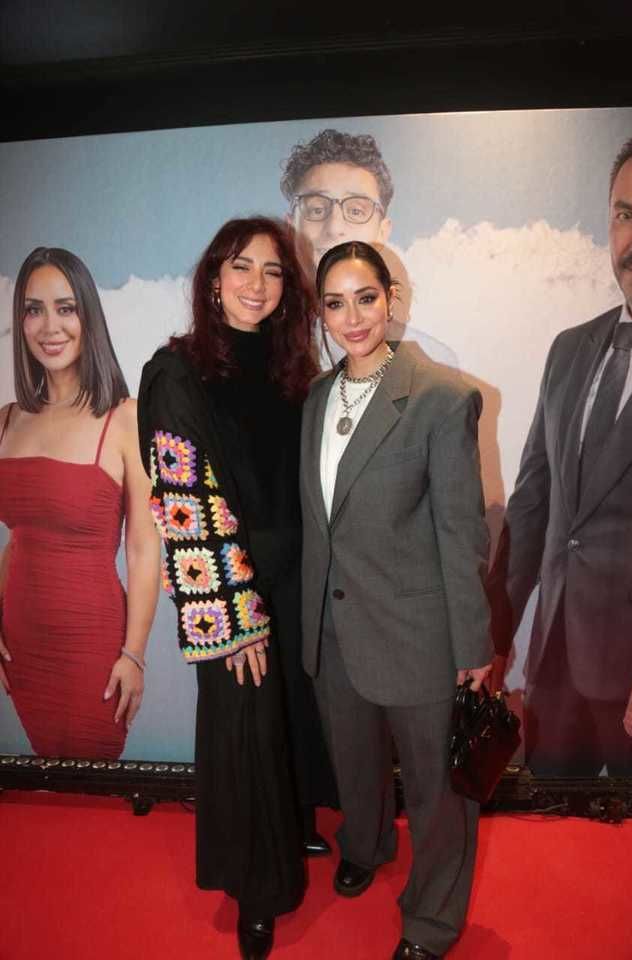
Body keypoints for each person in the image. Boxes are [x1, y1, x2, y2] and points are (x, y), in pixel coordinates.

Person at [137, 216, 336, 960]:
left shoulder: (293, 371)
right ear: (213, 279)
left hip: (298, 574)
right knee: (246, 730)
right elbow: (183, 500)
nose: (257, 283)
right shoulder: (176, 371)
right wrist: (233, 616)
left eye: (273, 271)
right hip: (230, 582)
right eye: (241, 266)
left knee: (292, 714)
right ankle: (258, 891)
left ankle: (294, 825)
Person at [300, 240, 492, 960]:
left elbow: (461, 531)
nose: (352, 318)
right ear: (320, 313)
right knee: (354, 763)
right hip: (333, 625)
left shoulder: (440, 397)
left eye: (366, 298)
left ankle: (432, 920)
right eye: (335, 303)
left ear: (391, 299)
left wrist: (473, 645)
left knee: (438, 792)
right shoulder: (315, 399)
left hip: (418, 630)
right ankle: (367, 843)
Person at [487, 130, 632, 777]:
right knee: (547, 831)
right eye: (626, 214)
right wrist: (496, 640)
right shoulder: (570, 349)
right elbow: (531, 507)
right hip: (552, 669)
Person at [0, 246, 159, 760]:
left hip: (94, 645)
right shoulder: (5, 420)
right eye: (34, 309)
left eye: (65, 308)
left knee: (92, 783)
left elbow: (143, 549)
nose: (50, 326)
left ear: (88, 315)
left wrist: (134, 654)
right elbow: (20, 538)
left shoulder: (126, 417)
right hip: (22, 644)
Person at [280, 127, 457, 367]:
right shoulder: (259, 352)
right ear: (290, 227)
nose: (335, 227)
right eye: (317, 209)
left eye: (356, 211)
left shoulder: (433, 362)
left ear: (382, 232)